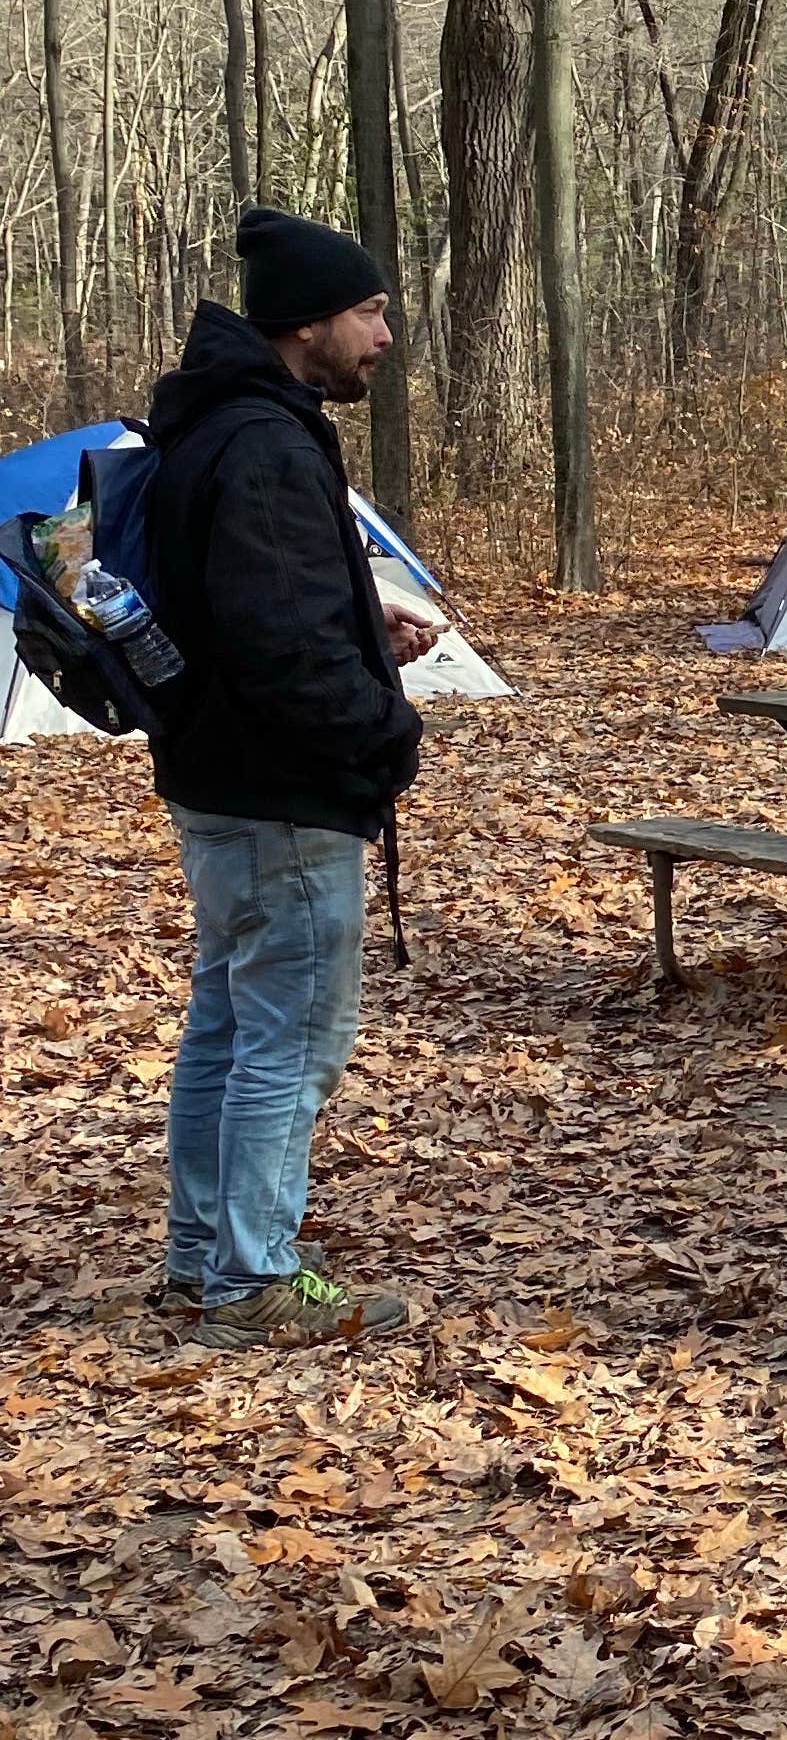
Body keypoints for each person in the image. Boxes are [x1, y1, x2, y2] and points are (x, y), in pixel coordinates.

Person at [140, 206, 431, 1349]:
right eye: (370, 312)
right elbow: (280, 650)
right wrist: (383, 732)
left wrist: (366, 631)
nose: (384, 336)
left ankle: (200, 1261)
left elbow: (252, 609)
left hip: (221, 780)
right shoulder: (263, 445)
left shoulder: (220, 423)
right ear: (308, 322)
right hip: (281, 796)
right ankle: (251, 1278)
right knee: (289, 1037)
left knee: (227, 1022)